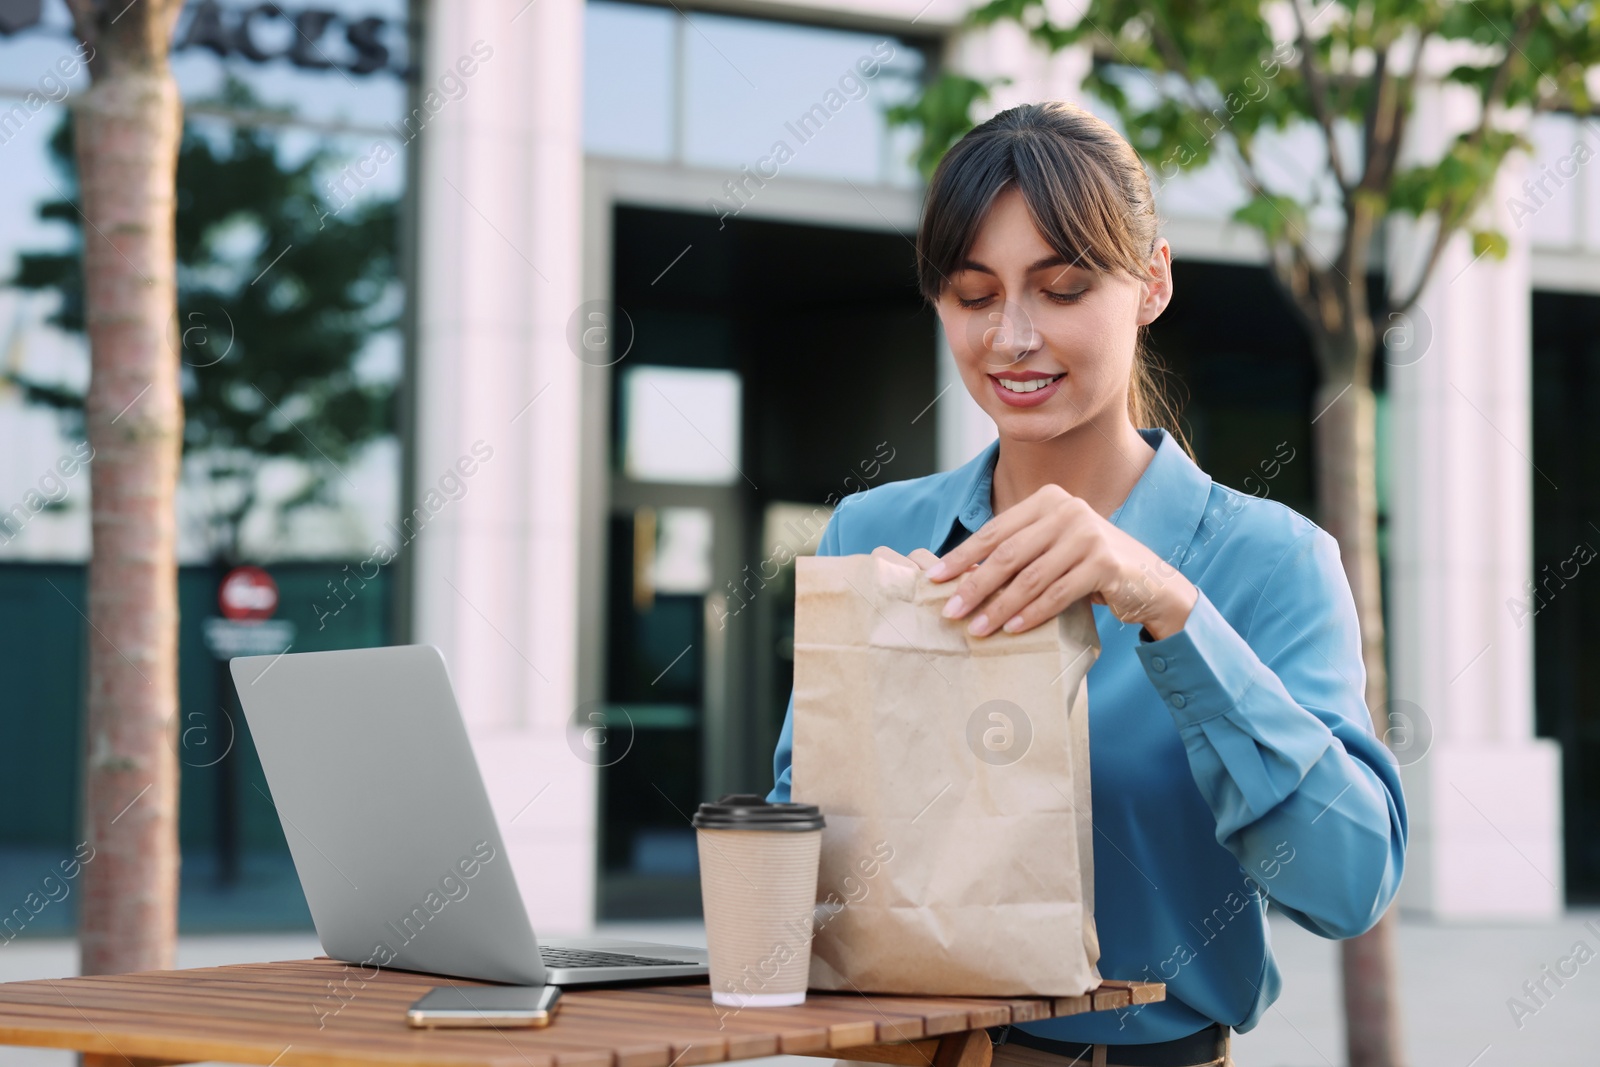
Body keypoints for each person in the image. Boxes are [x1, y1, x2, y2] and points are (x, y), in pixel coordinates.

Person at [765, 101, 1407, 1067]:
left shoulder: (1271, 560)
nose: (1012, 337)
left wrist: (1172, 611)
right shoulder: (876, 533)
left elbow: (1347, 885)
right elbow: (795, 857)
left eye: (1062, 289)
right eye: (974, 296)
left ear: (1151, 282)